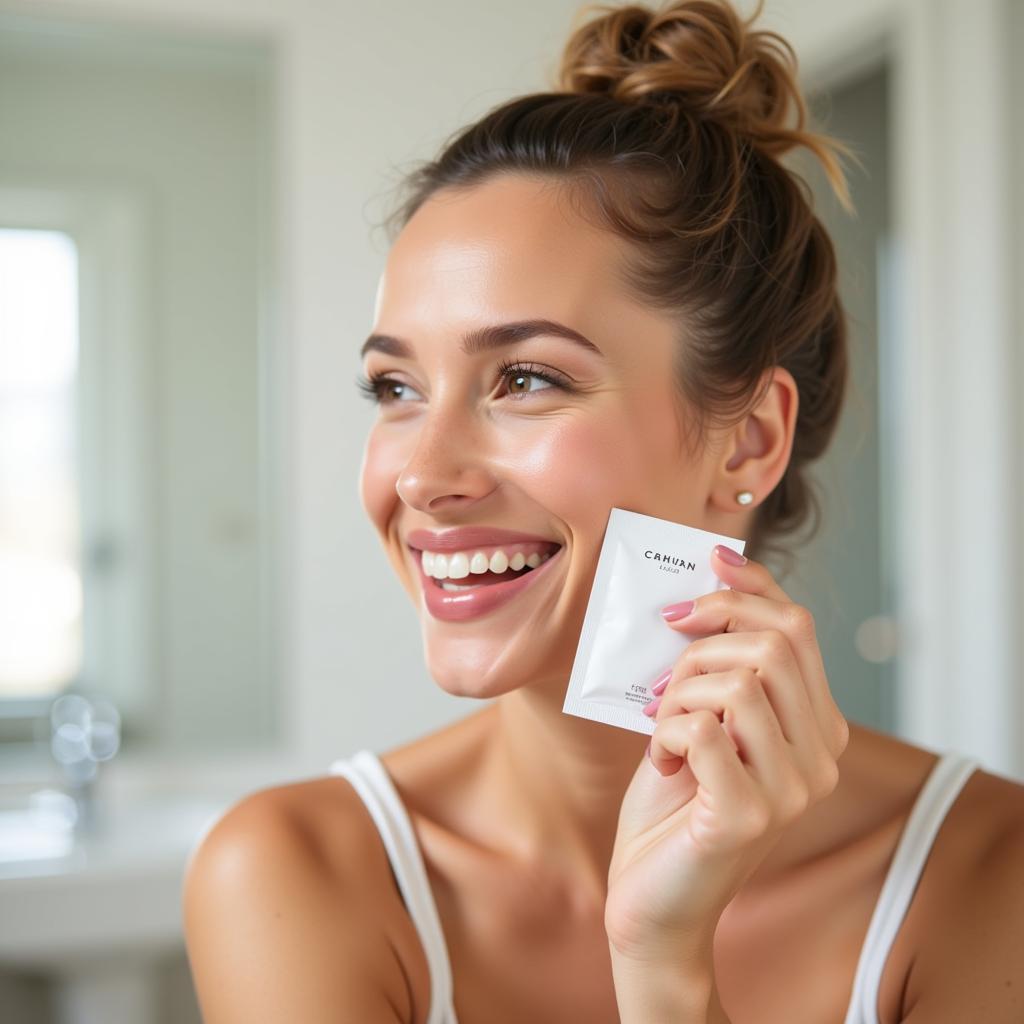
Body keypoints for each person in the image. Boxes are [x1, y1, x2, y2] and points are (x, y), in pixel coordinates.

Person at [182, 1, 1024, 1021]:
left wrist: (663, 964)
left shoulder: (987, 873)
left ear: (749, 439)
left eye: (526, 377)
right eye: (395, 388)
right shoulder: (297, 874)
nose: (421, 474)